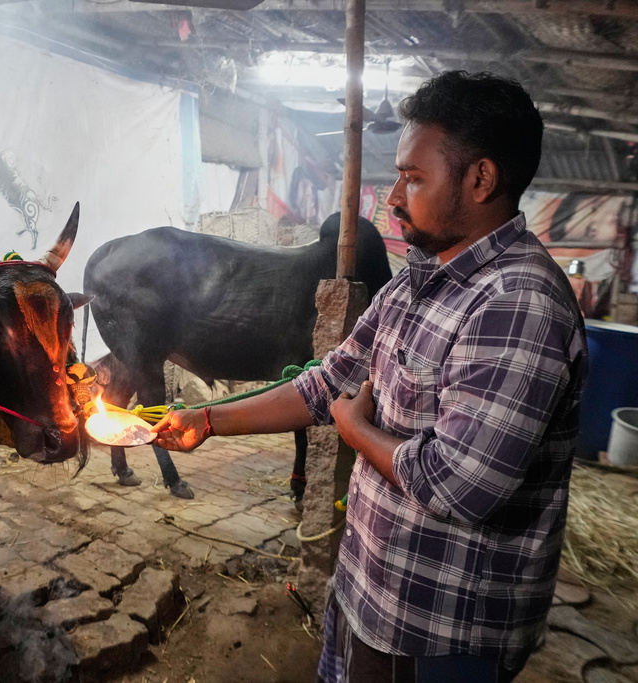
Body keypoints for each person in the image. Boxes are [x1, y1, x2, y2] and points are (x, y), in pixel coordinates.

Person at [153, 71, 588, 683]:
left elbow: (459, 488)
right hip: (369, 590)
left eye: (413, 179)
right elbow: (326, 382)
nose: (392, 198)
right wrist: (207, 421)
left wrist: (355, 434)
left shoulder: (516, 303)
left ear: (481, 178)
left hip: (438, 632)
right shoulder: (418, 280)